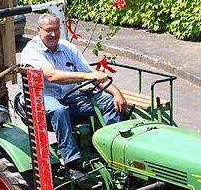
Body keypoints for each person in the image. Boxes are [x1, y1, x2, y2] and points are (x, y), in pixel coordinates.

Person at [21, 13, 127, 180]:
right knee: (59, 110)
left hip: (68, 97)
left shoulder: (67, 48)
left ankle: (109, 149)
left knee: (108, 101)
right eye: (49, 30)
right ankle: (72, 164)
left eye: (56, 30)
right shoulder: (31, 51)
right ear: (39, 30)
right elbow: (51, 76)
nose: (53, 34)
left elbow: (91, 74)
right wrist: (86, 77)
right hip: (40, 97)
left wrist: (116, 93)